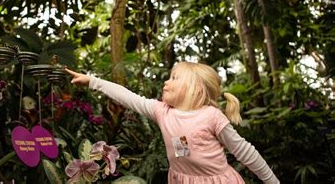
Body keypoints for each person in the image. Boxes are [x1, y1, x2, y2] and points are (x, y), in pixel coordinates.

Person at [65, 61, 279, 184]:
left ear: (195, 89)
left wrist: (272, 181)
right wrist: (93, 81)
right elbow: (128, 97)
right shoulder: (162, 112)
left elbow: (244, 151)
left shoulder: (212, 116)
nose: (166, 82)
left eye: (175, 78)